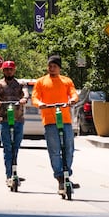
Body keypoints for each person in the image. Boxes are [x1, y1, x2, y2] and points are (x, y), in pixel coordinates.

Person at [32, 55, 80, 194]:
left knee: (69, 148)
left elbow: (73, 94)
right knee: (54, 150)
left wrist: (73, 100)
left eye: (54, 66)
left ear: (59, 67)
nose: (52, 68)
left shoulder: (66, 81)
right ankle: (60, 177)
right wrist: (40, 104)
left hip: (65, 119)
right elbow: (35, 96)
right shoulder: (41, 82)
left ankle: (66, 174)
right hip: (49, 120)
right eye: (50, 66)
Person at [0, 60, 28, 188]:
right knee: (7, 148)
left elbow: (26, 94)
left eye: (11, 69)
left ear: (14, 70)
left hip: (18, 120)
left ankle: (14, 171)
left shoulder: (20, 84)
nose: (9, 71)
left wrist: (23, 99)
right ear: (3, 71)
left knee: (16, 147)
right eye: (6, 69)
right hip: (4, 120)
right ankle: (9, 175)